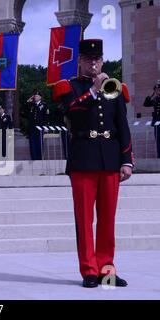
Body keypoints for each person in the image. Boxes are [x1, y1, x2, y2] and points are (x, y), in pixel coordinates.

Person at [53, 39, 133, 288]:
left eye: (97, 59)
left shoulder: (116, 88)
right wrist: (94, 91)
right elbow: (71, 113)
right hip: (83, 160)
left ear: (102, 60)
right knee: (85, 218)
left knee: (108, 220)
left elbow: (123, 126)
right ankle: (89, 270)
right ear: (80, 62)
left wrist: (126, 160)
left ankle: (107, 270)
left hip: (109, 159)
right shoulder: (70, 87)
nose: (94, 64)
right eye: (88, 60)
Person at [26, 92, 49, 160]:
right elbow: (24, 111)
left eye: (37, 96)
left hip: (40, 126)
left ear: (40, 97)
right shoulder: (31, 105)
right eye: (35, 96)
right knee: (32, 142)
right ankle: (33, 157)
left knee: (39, 142)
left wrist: (46, 126)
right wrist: (28, 102)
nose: (35, 97)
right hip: (32, 126)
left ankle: (39, 157)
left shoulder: (44, 105)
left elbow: (46, 116)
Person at [143, 83, 160, 158]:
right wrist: (151, 95)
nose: (157, 91)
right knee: (158, 140)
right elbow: (146, 104)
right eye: (156, 90)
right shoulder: (155, 99)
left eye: (158, 89)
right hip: (157, 123)